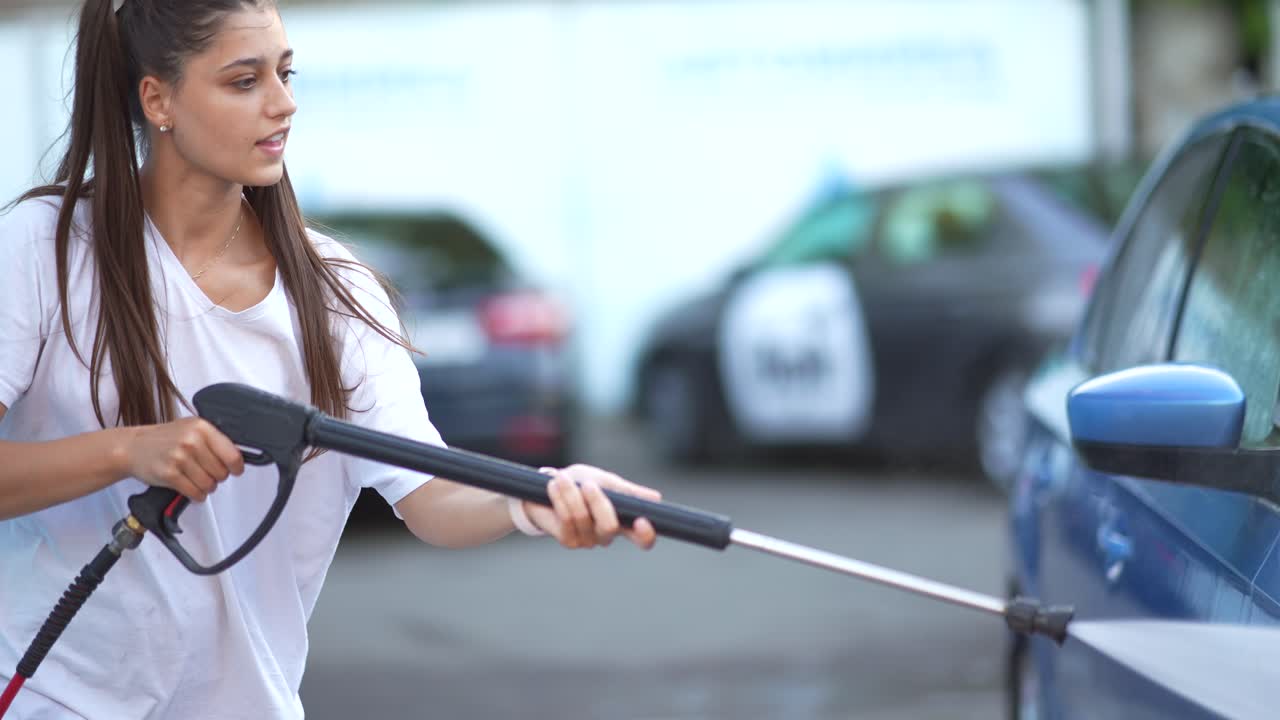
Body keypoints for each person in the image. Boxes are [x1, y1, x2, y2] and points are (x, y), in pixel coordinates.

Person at [0, 1, 662, 717]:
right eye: (244, 81)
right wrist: (128, 451)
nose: (283, 104)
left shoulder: (337, 292)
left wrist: (533, 498)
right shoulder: (42, 249)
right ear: (158, 99)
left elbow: (428, 495)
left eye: (285, 74)